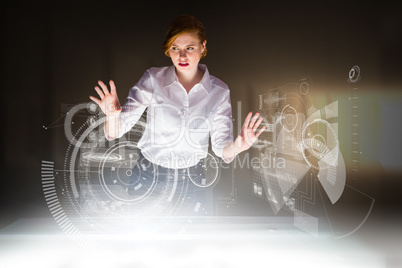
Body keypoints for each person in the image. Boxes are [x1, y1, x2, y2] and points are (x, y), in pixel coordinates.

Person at [89, 15, 266, 215]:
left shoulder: (219, 91)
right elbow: (116, 132)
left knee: (190, 242)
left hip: (191, 179)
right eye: (175, 48)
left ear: (203, 46)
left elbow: (220, 148)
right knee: (144, 240)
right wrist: (112, 115)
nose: (182, 56)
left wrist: (238, 146)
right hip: (149, 176)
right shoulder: (153, 79)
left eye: (189, 48)